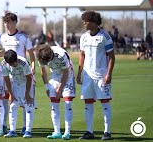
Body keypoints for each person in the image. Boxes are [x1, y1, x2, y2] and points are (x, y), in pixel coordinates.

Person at [0, 12, 36, 135]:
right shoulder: (3, 37)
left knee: (25, 101)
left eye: (9, 22)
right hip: (9, 71)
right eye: (5, 22)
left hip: (23, 70)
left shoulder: (23, 36)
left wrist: (33, 67)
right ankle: (7, 126)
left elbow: (31, 53)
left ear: (15, 22)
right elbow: (5, 52)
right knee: (10, 98)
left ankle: (25, 127)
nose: (7, 24)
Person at [77, 11, 115, 140]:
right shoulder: (83, 37)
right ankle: (89, 131)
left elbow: (111, 56)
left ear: (93, 22)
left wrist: (108, 74)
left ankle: (107, 132)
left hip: (101, 76)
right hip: (87, 77)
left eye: (85, 21)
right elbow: (82, 55)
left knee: (104, 103)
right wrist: (79, 73)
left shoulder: (105, 36)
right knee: (88, 103)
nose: (84, 23)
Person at [35, 44, 75, 140]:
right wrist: (47, 87)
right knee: (54, 104)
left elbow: (66, 72)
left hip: (68, 74)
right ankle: (56, 131)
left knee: (68, 103)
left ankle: (67, 132)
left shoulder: (61, 55)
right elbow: (43, 71)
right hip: (55, 76)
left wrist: (60, 88)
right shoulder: (41, 56)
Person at [2, 50, 35, 138]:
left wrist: (27, 94)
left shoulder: (23, 63)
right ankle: (12, 130)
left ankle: (28, 131)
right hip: (15, 84)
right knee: (12, 106)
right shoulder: (4, 64)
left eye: (14, 63)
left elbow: (29, 78)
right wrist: (10, 94)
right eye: (11, 64)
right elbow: (7, 79)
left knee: (28, 106)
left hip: (26, 84)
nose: (14, 65)